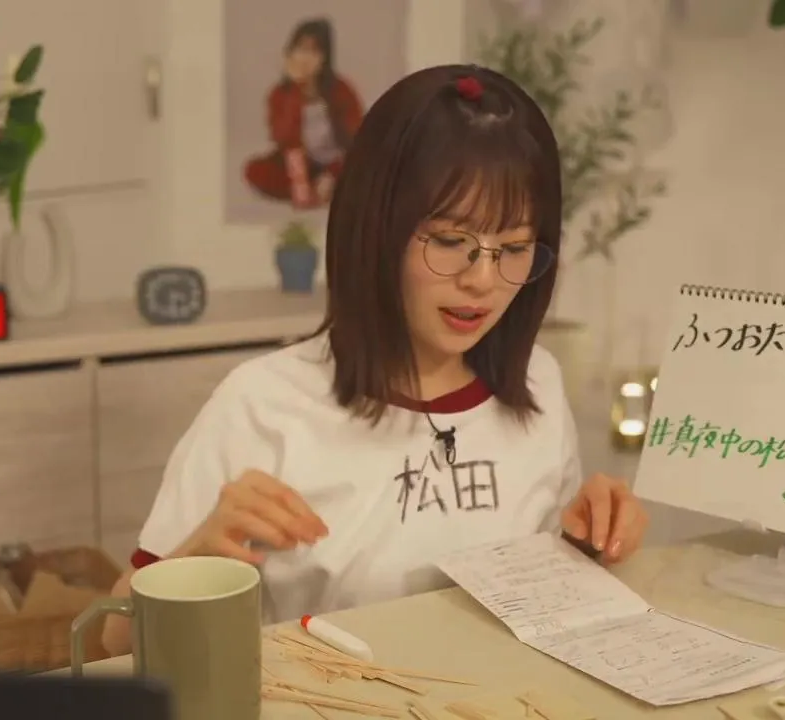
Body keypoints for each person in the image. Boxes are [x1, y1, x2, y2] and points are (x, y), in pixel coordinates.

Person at [102, 64, 649, 656]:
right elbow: (114, 643)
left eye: (514, 249)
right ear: (377, 229)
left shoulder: (538, 381)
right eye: (450, 242)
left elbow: (537, 598)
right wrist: (198, 557)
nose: (483, 281)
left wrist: (586, 544)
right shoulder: (261, 403)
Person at [243, 18, 364, 209]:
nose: (305, 58)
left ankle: (332, 188)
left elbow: (358, 139)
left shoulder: (341, 89)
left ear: (324, 58)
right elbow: (283, 139)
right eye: (300, 49)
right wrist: (296, 90)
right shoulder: (279, 94)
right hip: (303, 164)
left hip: (339, 162)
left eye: (314, 51)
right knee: (255, 170)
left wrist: (333, 174)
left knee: (367, 169)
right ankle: (314, 190)